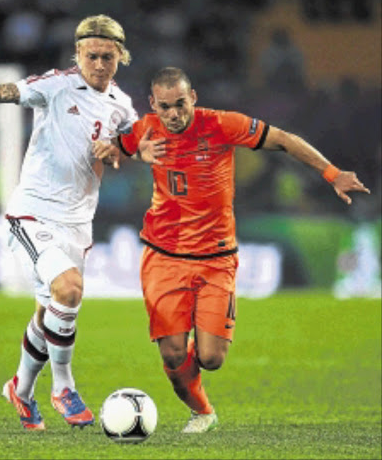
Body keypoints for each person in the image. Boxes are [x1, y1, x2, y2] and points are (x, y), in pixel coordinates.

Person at [93, 66, 370, 433]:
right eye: (165, 107)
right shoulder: (145, 129)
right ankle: (202, 411)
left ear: (192, 98)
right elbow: (111, 154)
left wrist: (333, 174)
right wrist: (129, 154)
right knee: (174, 354)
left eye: (180, 104)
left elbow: (284, 140)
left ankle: (188, 352)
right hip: (163, 256)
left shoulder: (222, 125)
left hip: (216, 258)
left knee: (211, 358)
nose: (174, 114)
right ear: (153, 105)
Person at [0, 15, 152, 432]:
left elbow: (133, 146)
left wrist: (118, 148)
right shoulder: (57, 85)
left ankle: (20, 390)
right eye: (91, 55)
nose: (99, 63)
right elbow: (1, 92)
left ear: (120, 57)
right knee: (70, 290)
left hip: (79, 222)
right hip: (34, 212)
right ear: (78, 53)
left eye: (107, 57)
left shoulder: (121, 104)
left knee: (52, 312)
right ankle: (63, 386)